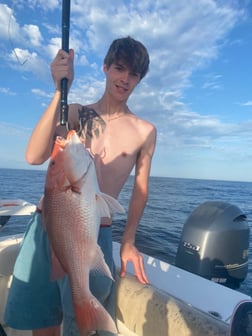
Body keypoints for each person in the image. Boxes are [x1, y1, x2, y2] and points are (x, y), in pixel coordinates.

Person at [4, 36, 156, 336]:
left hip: (94, 233)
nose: (125, 79)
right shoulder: (74, 113)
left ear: (140, 79)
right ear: (105, 68)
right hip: (49, 228)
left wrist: (128, 241)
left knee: (81, 325)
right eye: (119, 68)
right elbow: (34, 156)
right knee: (43, 321)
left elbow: (141, 189)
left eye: (134, 74)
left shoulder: (145, 131)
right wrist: (60, 90)